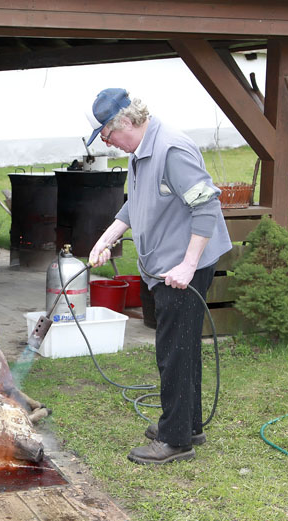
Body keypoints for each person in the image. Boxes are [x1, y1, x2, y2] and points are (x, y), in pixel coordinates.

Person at [85, 88, 232, 465]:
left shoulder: (171, 149)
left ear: (126, 123)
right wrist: (105, 240)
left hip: (183, 268)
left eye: (107, 135)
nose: (108, 143)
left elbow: (206, 205)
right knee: (182, 347)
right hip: (166, 266)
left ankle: (175, 439)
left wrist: (187, 264)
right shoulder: (140, 153)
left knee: (174, 351)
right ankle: (188, 423)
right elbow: (136, 203)